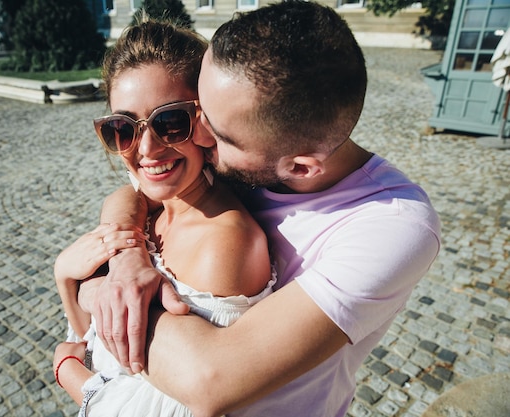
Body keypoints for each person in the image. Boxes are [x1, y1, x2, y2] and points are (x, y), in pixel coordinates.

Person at [78, 1, 442, 417]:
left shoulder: (391, 225)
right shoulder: (248, 153)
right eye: (196, 112)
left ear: (300, 167)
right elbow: (137, 191)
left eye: (214, 131)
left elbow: (208, 379)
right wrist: (126, 260)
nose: (194, 136)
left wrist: (91, 291)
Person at [52, 20, 274, 416]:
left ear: (205, 121)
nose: (147, 149)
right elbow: (89, 334)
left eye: (170, 122)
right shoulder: (159, 203)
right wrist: (117, 256)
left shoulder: (223, 245)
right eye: (123, 128)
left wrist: (68, 370)